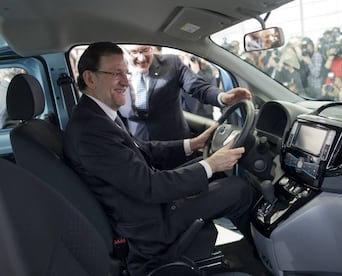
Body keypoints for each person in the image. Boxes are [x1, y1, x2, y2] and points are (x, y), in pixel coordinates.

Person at [63, 42, 257, 275]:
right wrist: (212, 163)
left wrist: (192, 145)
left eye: (125, 73)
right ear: (90, 79)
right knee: (239, 189)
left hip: (144, 208)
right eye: (116, 74)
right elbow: (150, 186)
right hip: (149, 227)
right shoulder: (90, 130)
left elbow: (142, 148)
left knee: (211, 170)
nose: (126, 81)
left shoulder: (95, 115)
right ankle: (262, 259)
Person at [118, 44, 252, 141]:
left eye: (145, 50)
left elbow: (198, 87)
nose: (141, 58)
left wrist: (223, 97)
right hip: (140, 148)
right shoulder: (114, 73)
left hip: (176, 145)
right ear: (123, 51)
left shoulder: (172, 63)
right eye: (134, 52)